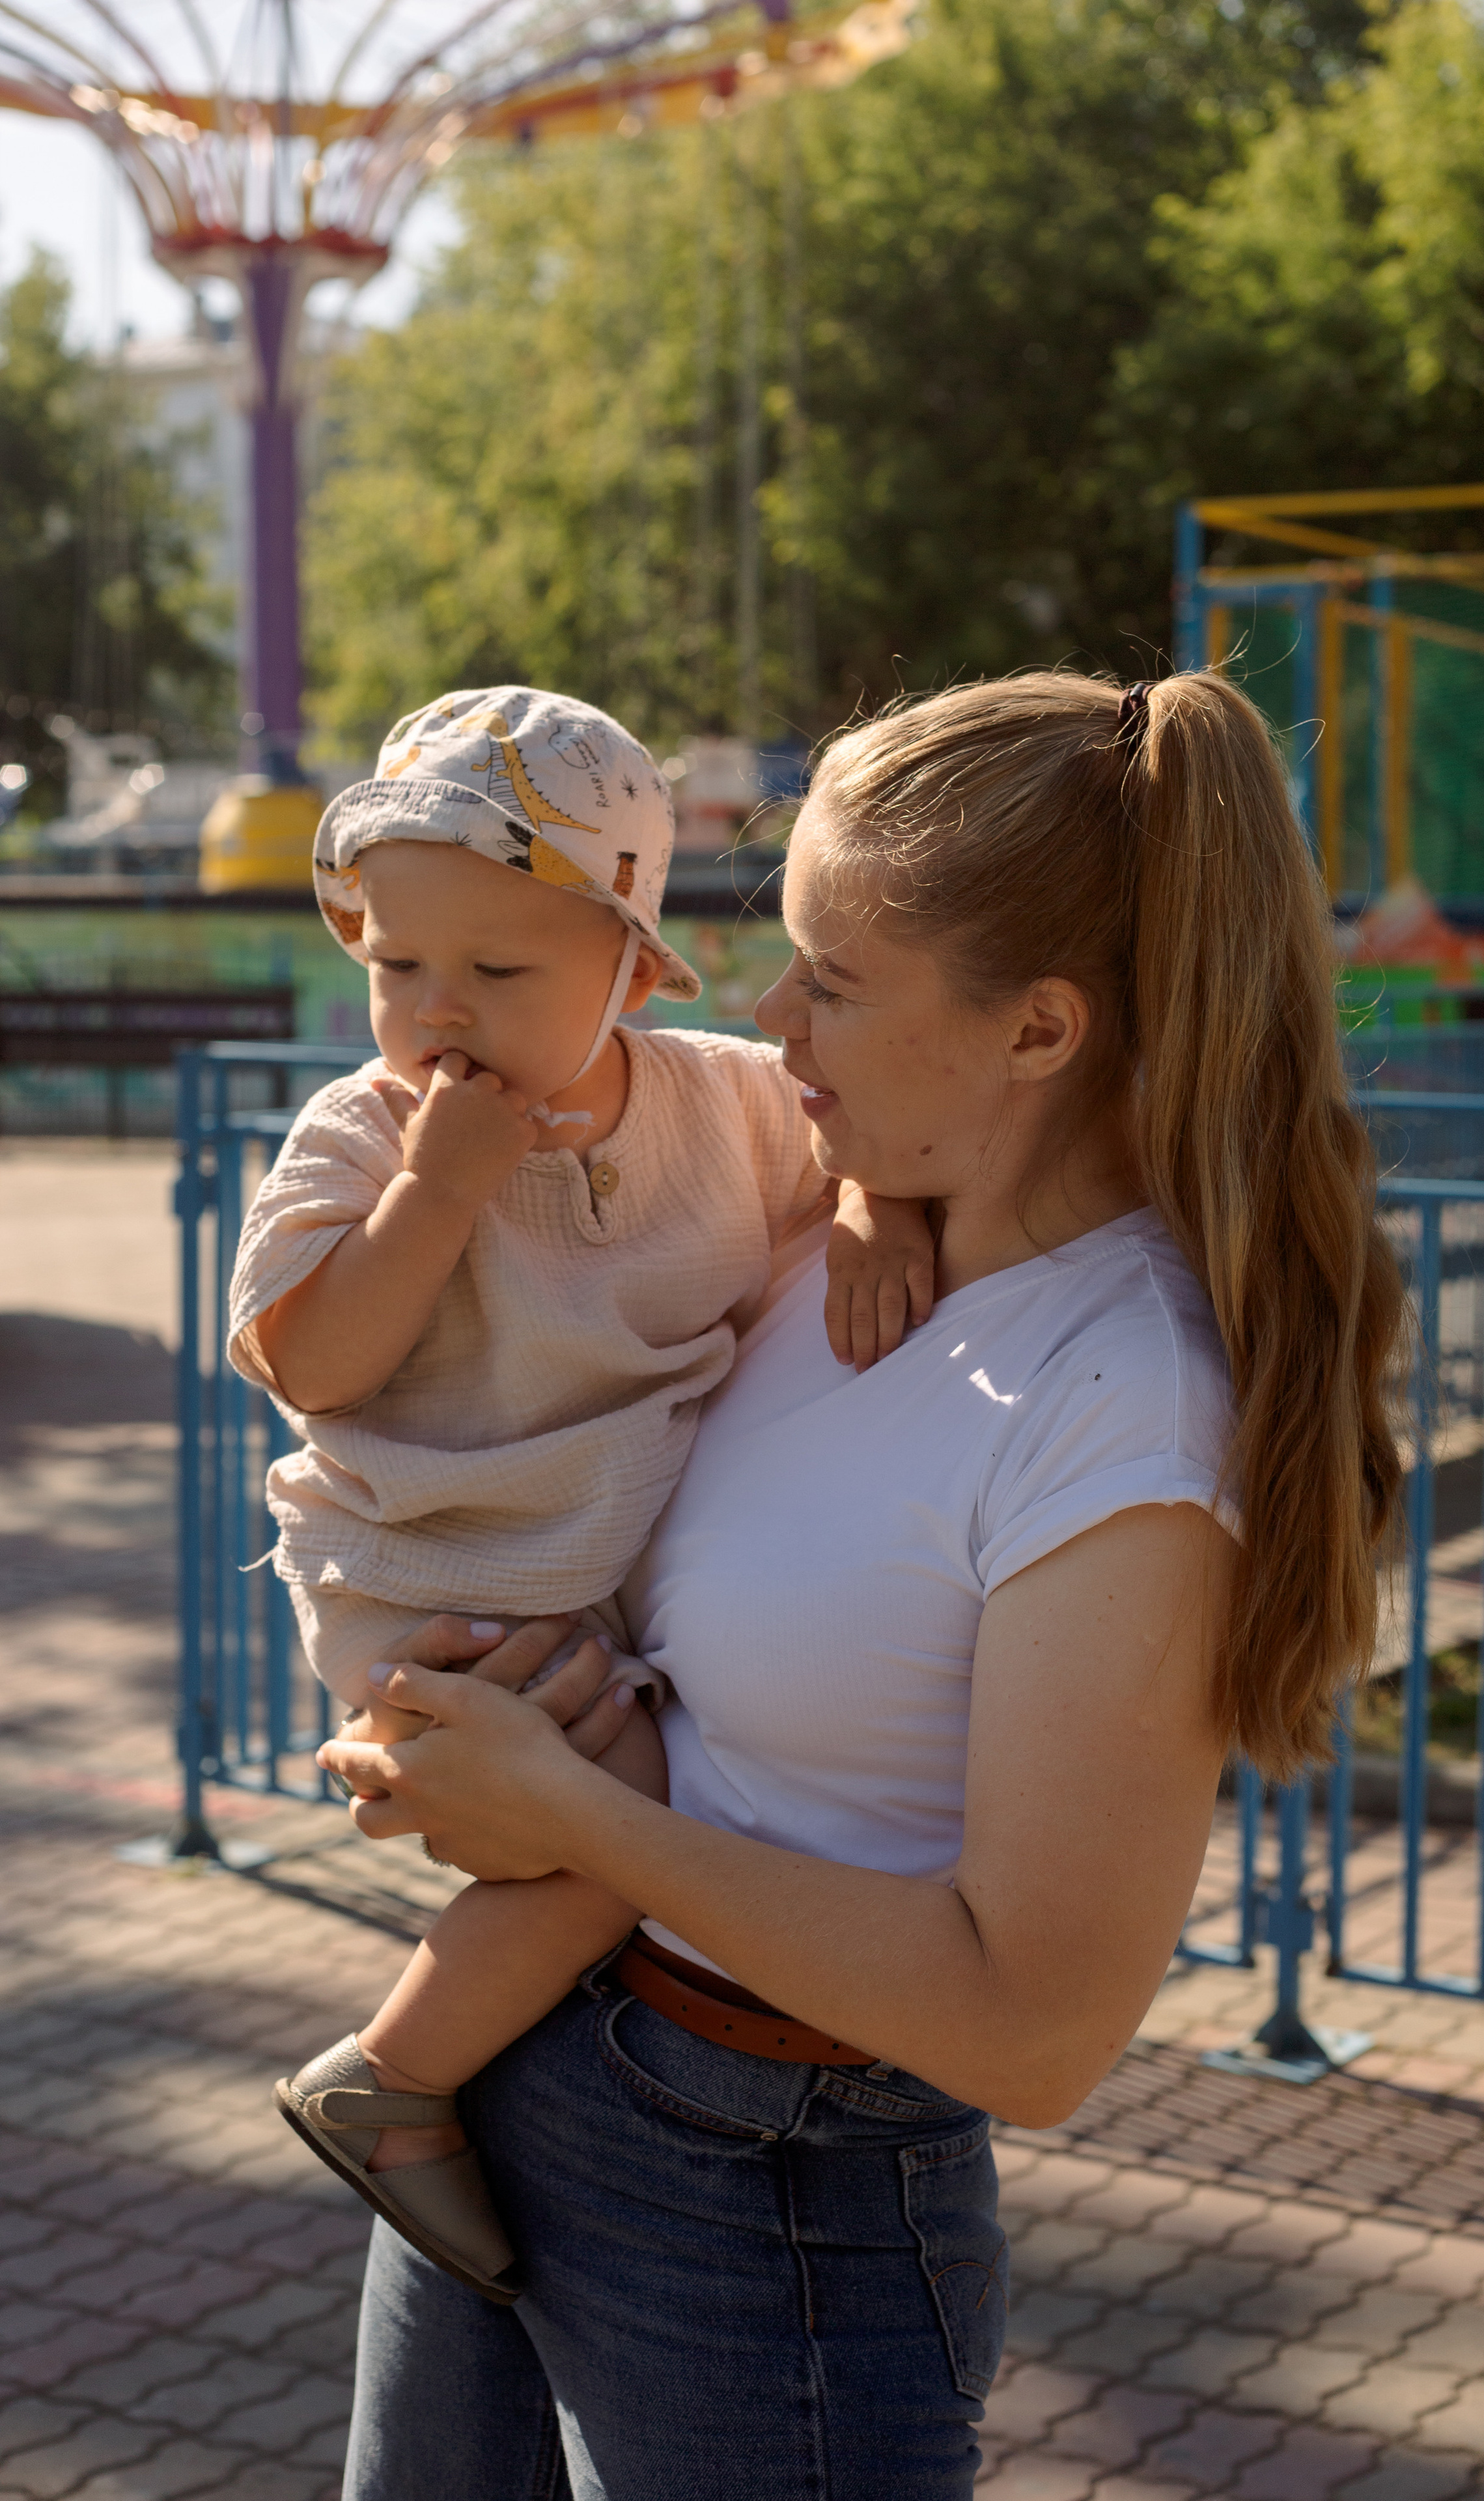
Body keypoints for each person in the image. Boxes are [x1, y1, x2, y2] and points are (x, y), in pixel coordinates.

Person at [321, 668, 1406, 2501]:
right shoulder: (836, 1232)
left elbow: (1034, 2028)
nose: (767, 1011)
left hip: (766, 2206)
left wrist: (568, 1807)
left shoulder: (1124, 1414)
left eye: (832, 972)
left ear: (1040, 1032)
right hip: (530, 2093)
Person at [227, 685, 932, 2302]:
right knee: (626, 1832)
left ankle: (489, 2070)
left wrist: (877, 1211)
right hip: (425, 1567)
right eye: (396, 966)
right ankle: (391, 2082)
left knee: (630, 1823)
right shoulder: (367, 1129)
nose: (435, 1011)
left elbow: (842, 1155)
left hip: (592, 1562)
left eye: (496, 969)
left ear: (626, 964)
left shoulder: (716, 1100)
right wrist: (434, 1194)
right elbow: (308, 1359)